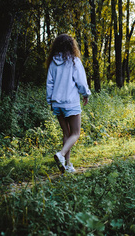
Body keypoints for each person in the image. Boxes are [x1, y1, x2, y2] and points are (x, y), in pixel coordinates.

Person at [46, 34, 91, 173]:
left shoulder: (53, 62)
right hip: (70, 103)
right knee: (76, 133)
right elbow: (81, 82)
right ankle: (61, 154)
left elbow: (49, 83)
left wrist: (50, 101)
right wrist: (86, 94)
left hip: (57, 103)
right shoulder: (74, 61)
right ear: (72, 46)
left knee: (67, 133)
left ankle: (67, 165)